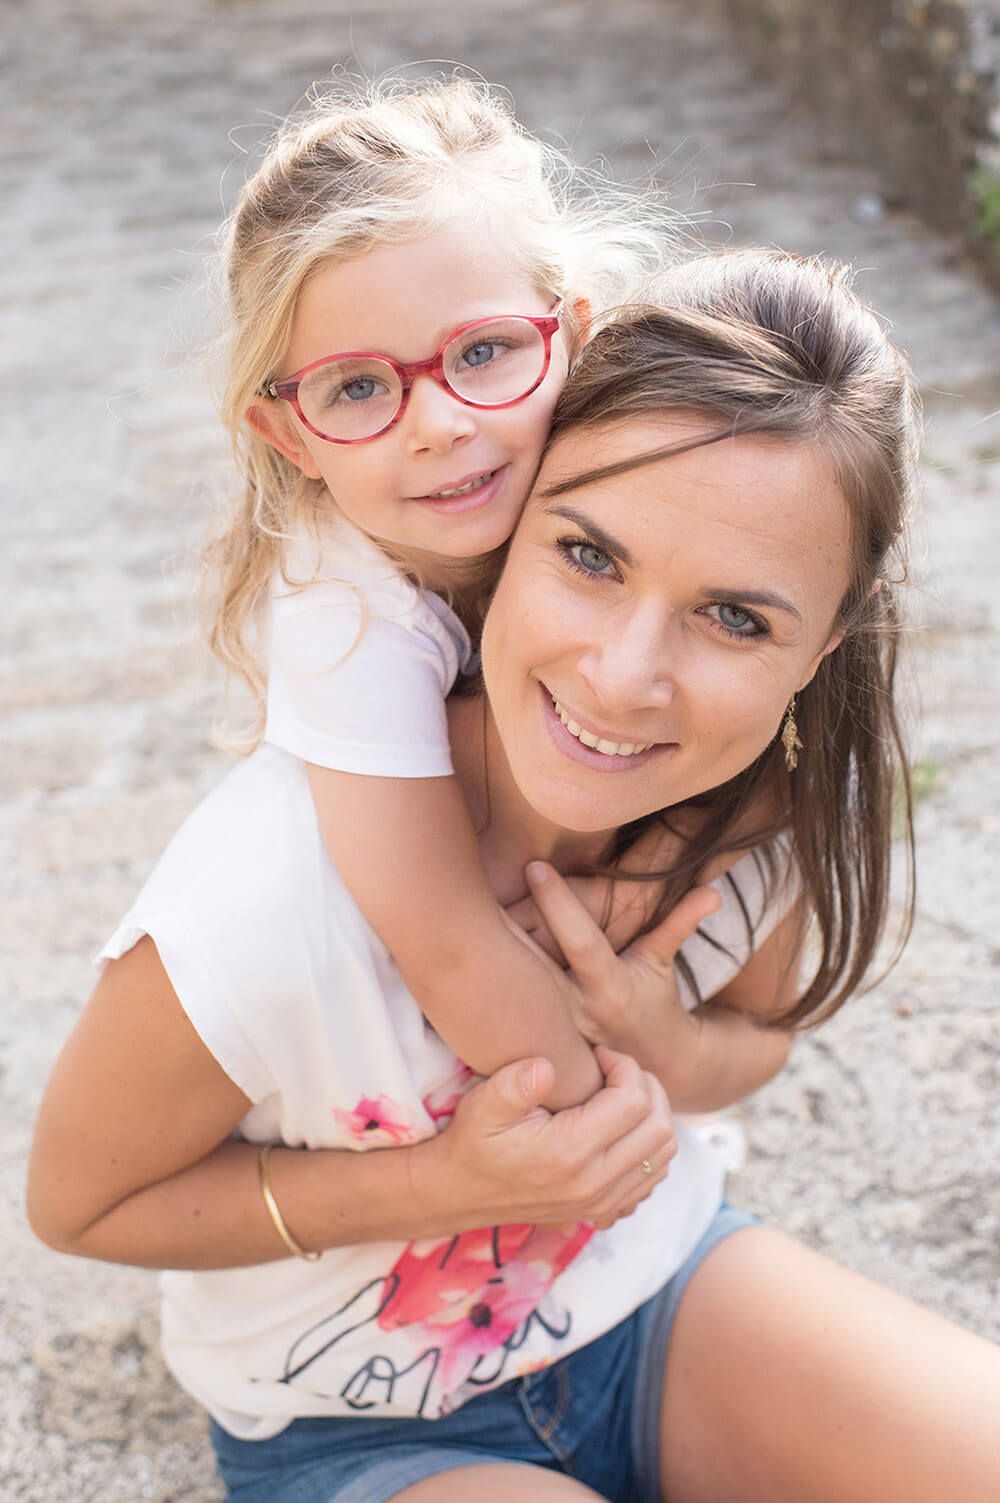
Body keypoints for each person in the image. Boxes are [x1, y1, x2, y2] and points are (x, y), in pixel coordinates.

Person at [29, 248, 1000, 1503]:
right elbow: (81, 1204)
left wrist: (660, 1038)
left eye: (738, 618)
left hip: (658, 1296)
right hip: (352, 1425)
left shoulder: (767, 805)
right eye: (590, 557)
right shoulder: (269, 893)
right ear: (509, 519)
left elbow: (752, 1037)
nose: (621, 677)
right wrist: (445, 1184)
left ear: (829, 636)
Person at [207, 75, 766, 1115]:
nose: (439, 424)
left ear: (569, 331)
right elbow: (454, 948)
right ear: (290, 434)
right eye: (359, 386)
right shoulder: (345, 611)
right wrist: (607, 1120)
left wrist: (631, 890)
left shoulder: (617, 467)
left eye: (483, 351)